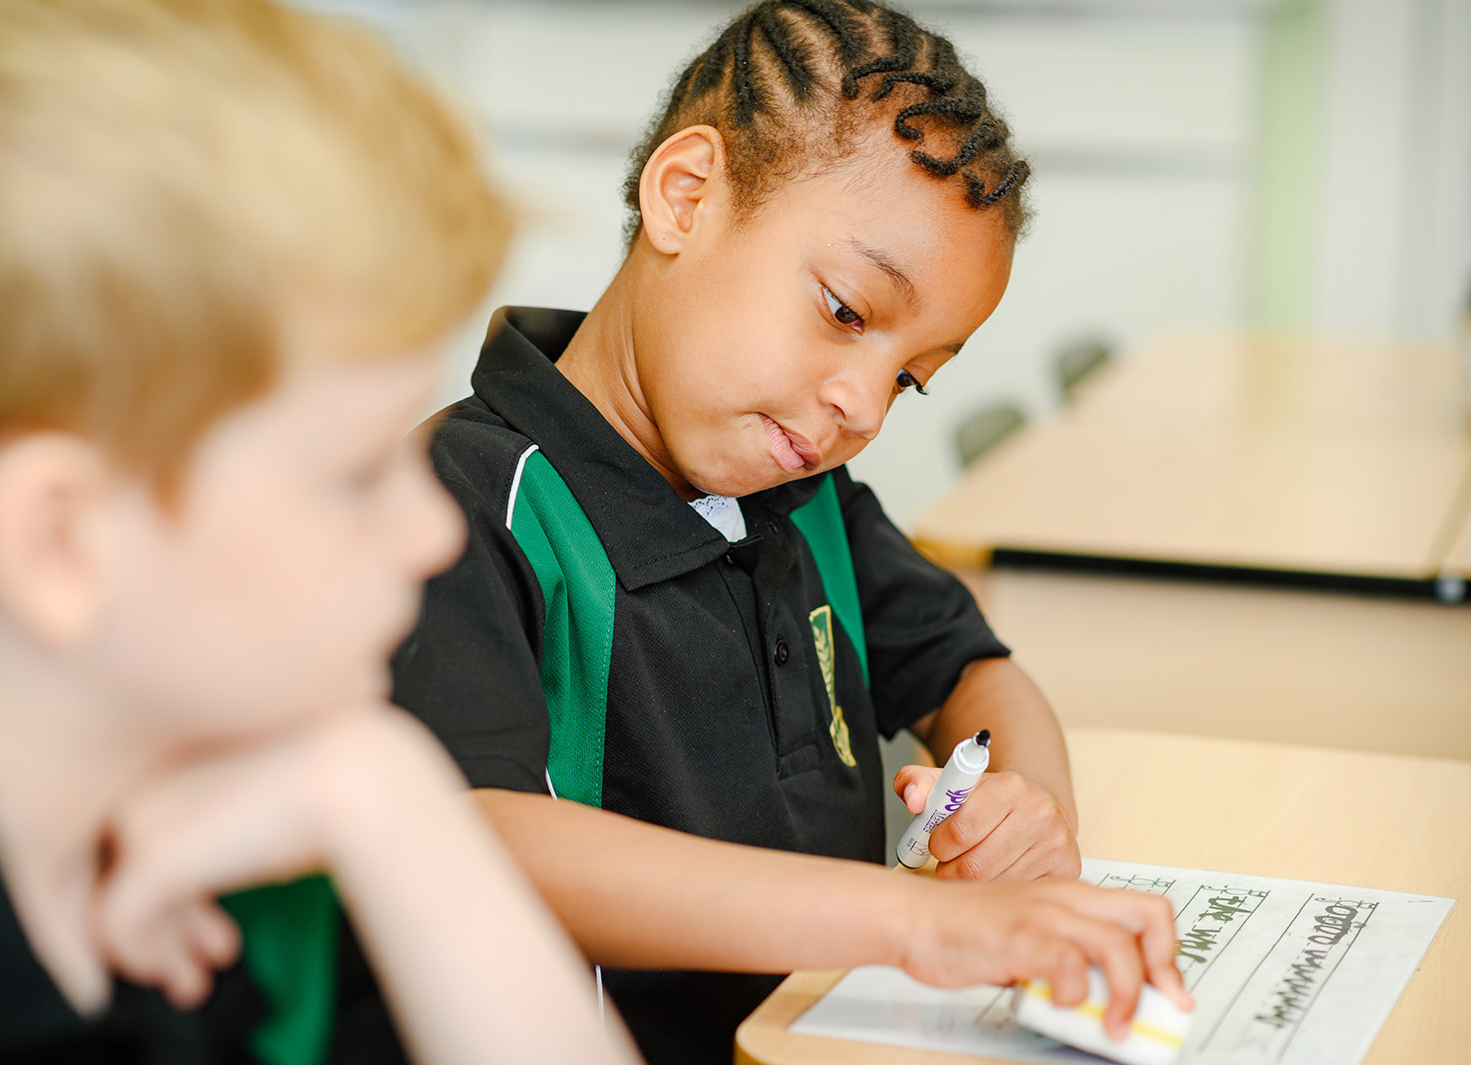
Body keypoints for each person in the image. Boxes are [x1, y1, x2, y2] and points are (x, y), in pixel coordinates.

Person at [390, 2, 1192, 1063]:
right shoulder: (456, 501)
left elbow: (973, 674)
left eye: (908, 379)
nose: (862, 405)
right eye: (846, 311)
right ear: (687, 197)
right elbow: (475, 838)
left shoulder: (807, 497)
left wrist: (1026, 807)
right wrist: (915, 922)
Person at [0, 1, 642, 1062]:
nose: (432, 535)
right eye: (358, 473)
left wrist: (387, 797)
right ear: (58, 542)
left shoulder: (274, 804)